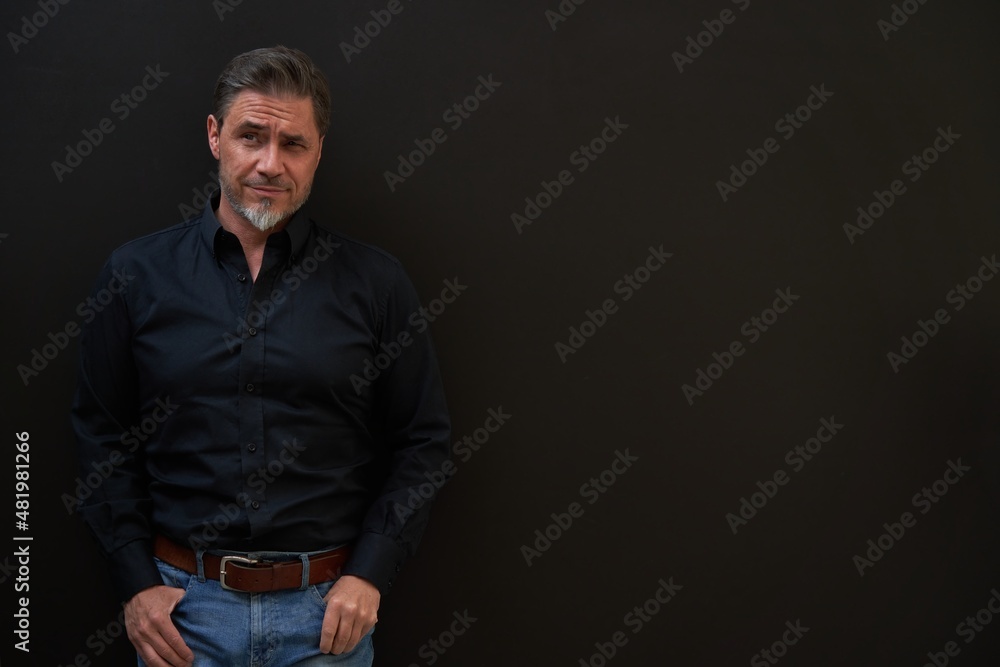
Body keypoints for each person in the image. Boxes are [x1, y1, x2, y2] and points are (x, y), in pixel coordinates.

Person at [71, 45, 451, 666]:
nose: (270, 164)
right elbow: (101, 436)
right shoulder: (134, 275)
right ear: (215, 136)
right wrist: (135, 582)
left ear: (318, 151)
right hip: (183, 620)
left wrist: (370, 573)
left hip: (326, 621)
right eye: (251, 136)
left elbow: (423, 442)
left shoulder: (376, 283)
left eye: (293, 144)